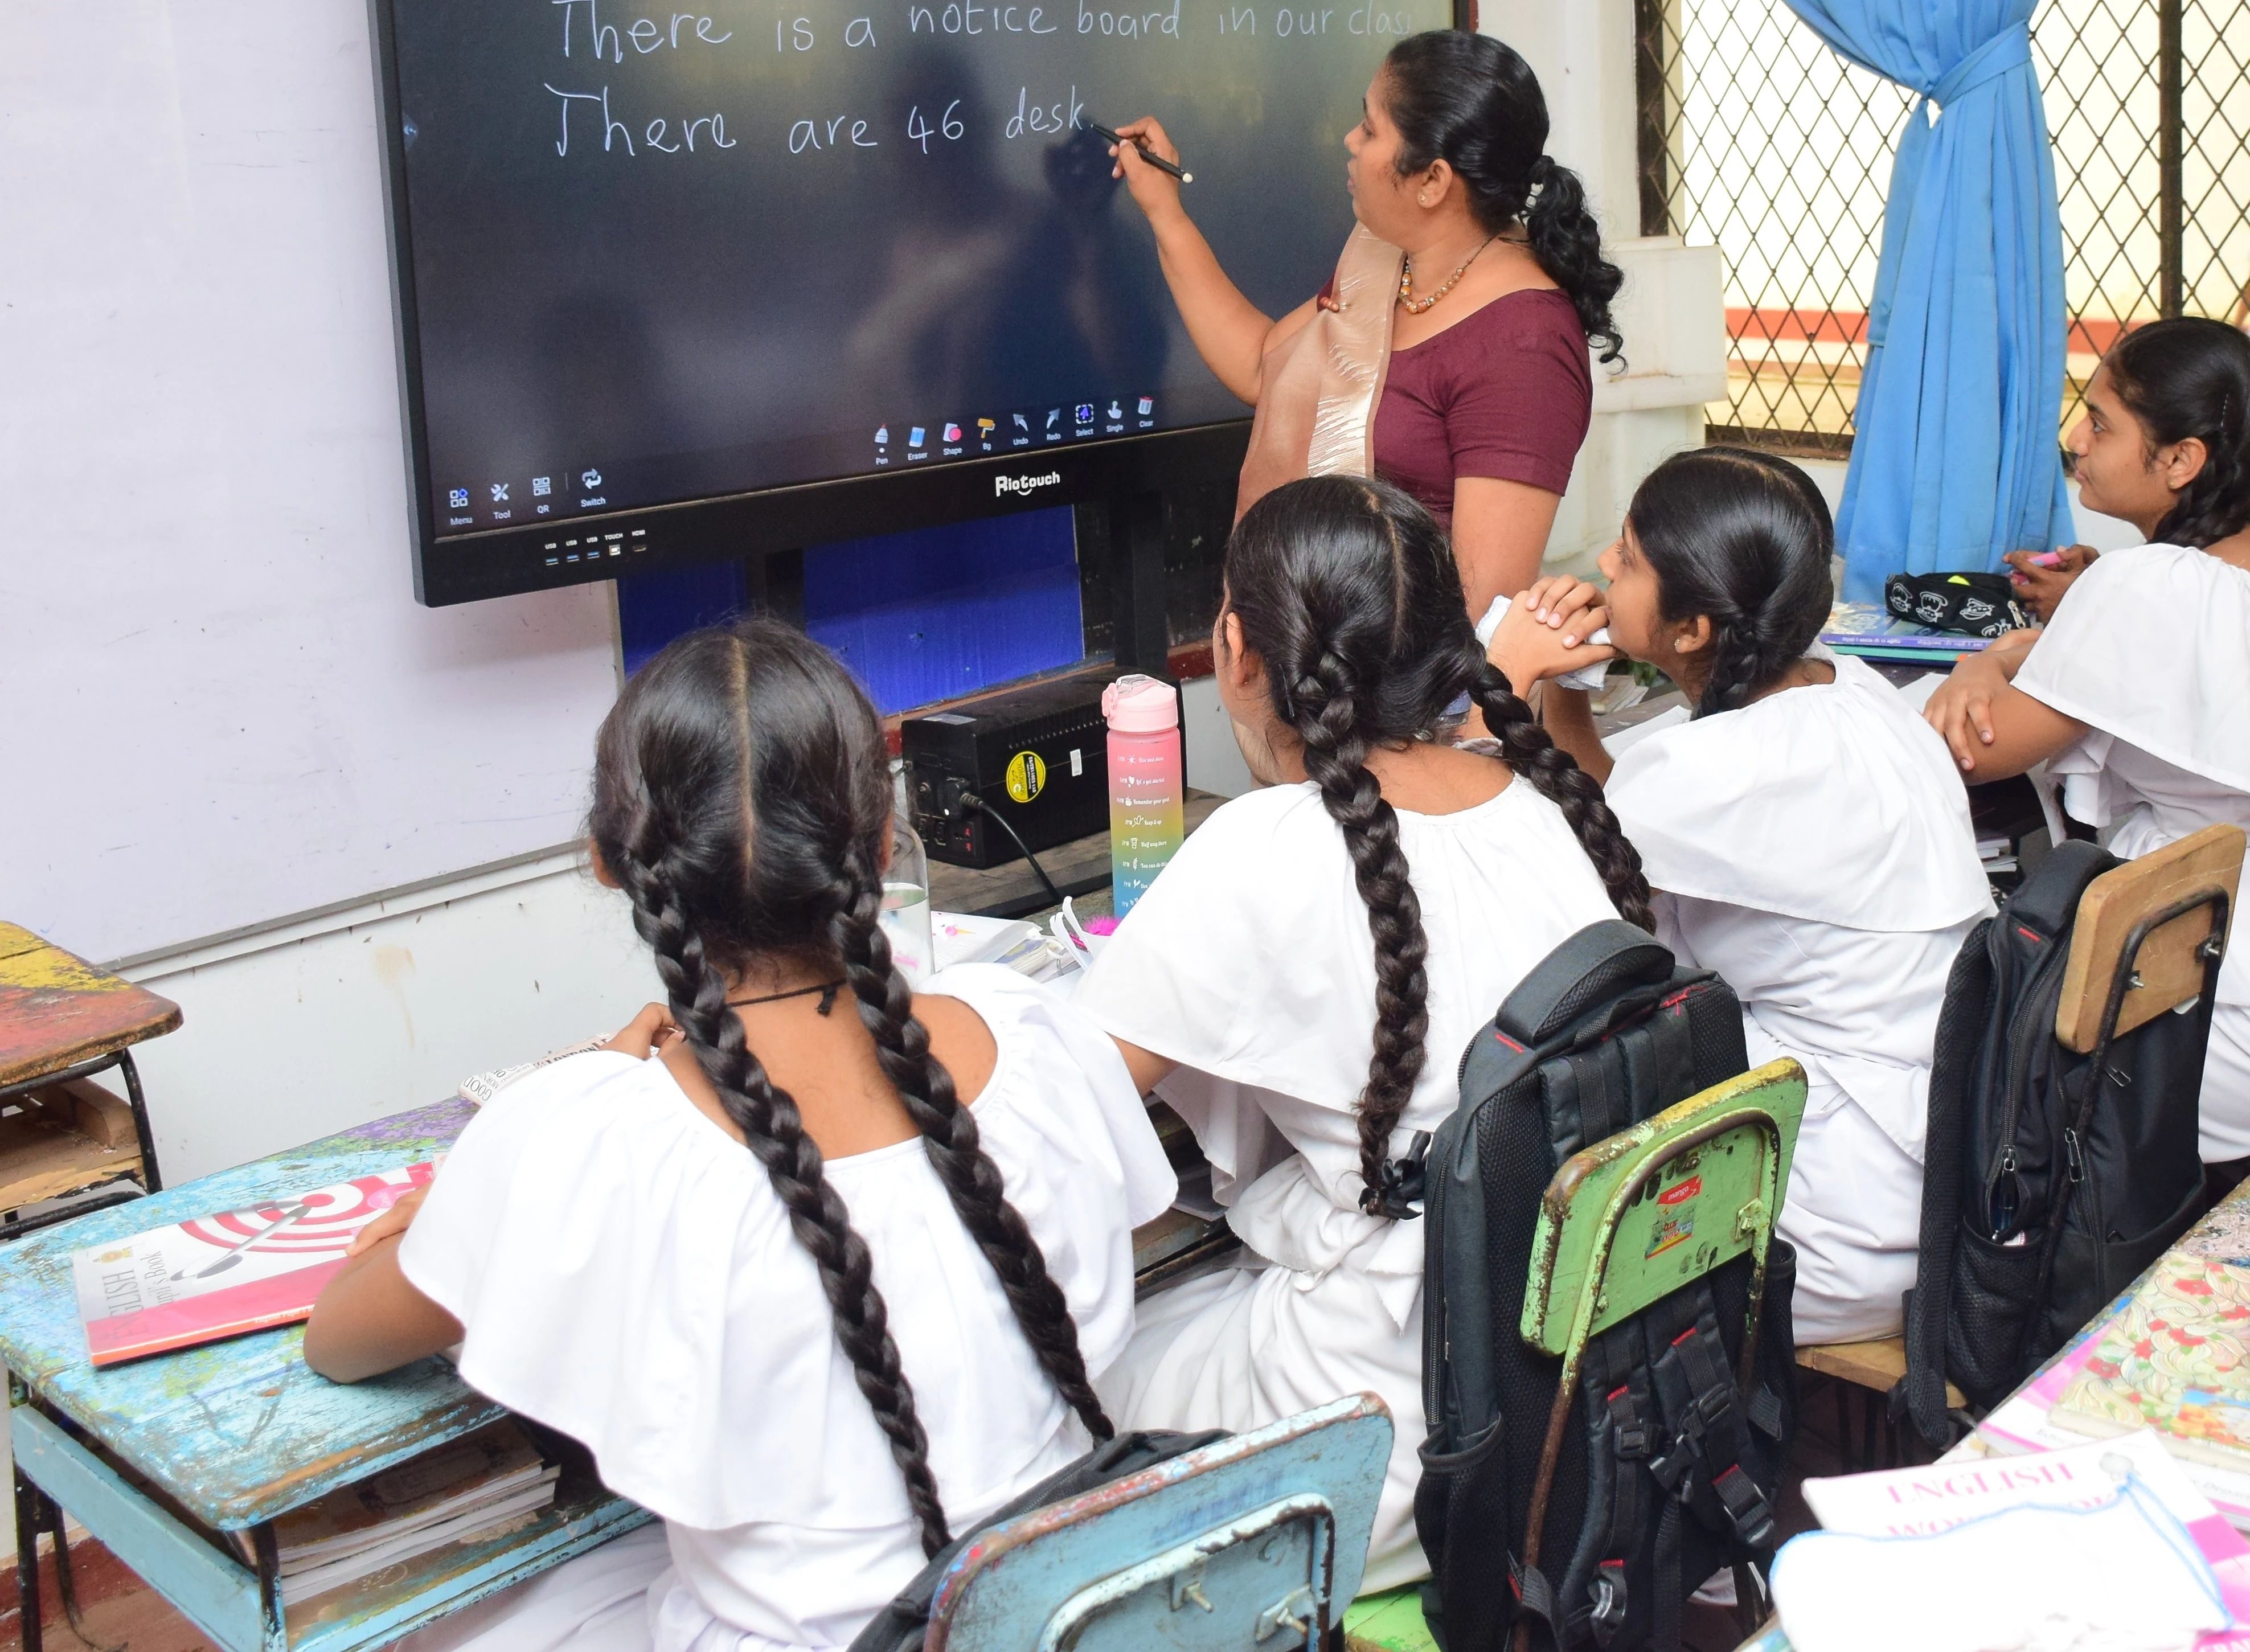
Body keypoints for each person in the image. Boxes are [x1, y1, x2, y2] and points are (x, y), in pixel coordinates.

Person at [303, 622, 1173, 1652]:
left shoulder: (585, 1138)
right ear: (882, 836)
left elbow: (339, 1340)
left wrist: (461, 1207)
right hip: (1050, 1621)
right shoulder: (1023, 1037)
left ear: (607, 862)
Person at [1073, 473, 1650, 1588]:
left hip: (1386, 1431)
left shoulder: (1261, 846)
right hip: (1562, 1395)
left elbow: (1058, 1099)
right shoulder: (1544, 809)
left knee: (1063, 1393)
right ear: (1446, 648)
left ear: (1235, 650)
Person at [1489, 447, 1990, 1343]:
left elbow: (1538, 874)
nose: (1603, 563)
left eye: (1630, 559)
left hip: (1842, 1217)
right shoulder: (1852, 689)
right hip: (1953, 1167)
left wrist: (1506, 679)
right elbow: (1618, 815)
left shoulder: (1714, 768)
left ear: (1687, 632)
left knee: (1519, 1195)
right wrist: (1569, 690)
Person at [1110, 31, 1623, 616]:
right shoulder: (1385, 257)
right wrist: (1164, 209)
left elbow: (1484, 612)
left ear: (1432, 180)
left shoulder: (1524, 345)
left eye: (1371, 128)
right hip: (1310, 667)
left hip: (1409, 696)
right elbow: (1264, 365)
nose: (1349, 140)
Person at [1924, 317, 2250, 1176]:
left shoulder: (2145, 586)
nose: (2075, 439)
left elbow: (1976, 751)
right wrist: (2081, 608)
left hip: (2192, 995)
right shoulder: (2180, 577)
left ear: (2179, 461)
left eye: (2101, 424)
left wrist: (1983, 660)